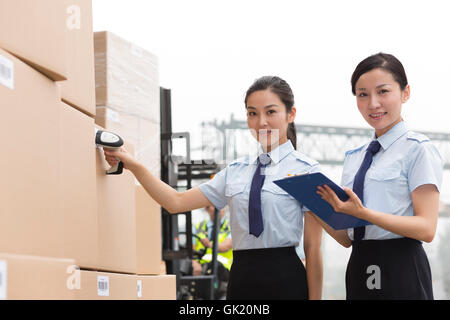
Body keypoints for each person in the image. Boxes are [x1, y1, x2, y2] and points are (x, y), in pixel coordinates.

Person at [103, 76, 323, 300]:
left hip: (286, 282)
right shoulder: (235, 172)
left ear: (291, 114)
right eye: (252, 113)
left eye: (271, 112)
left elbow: (313, 249)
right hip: (241, 282)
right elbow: (175, 202)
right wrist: (135, 166)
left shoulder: (307, 171)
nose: (261, 122)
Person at [313, 53, 443, 300]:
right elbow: (346, 238)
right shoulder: (354, 158)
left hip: (401, 266)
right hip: (360, 264)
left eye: (383, 91)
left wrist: (364, 214)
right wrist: (313, 205)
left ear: (405, 93)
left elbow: (426, 228)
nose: (373, 103)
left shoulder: (418, 149)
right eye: (363, 94)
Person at [192, 205, 233, 280]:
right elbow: (190, 250)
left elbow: (226, 246)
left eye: (222, 206)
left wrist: (208, 244)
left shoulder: (231, 227)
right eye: (215, 206)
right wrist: (194, 263)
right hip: (202, 265)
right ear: (206, 208)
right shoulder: (198, 227)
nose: (220, 209)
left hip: (223, 268)